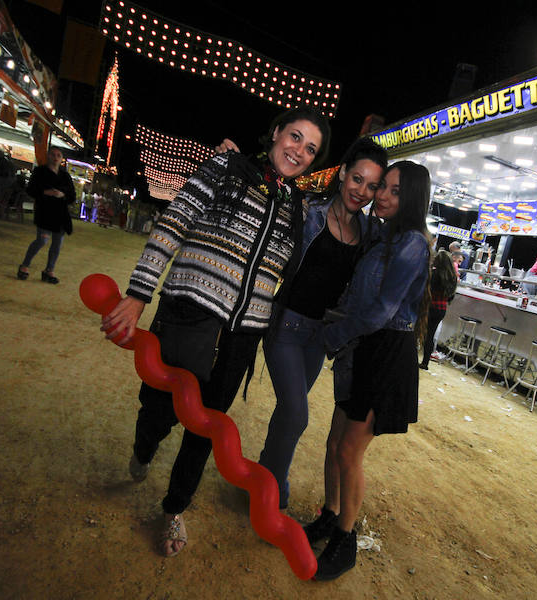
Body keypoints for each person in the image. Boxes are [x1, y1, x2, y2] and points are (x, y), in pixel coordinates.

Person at [99, 107, 330, 558]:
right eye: (295, 137)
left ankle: (174, 507)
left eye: (310, 149)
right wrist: (139, 293)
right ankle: (144, 447)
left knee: (206, 429)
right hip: (190, 314)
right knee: (159, 411)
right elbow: (174, 222)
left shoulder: (297, 208)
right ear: (276, 133)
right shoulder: (227, 167)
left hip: (242, 337)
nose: (298, 151)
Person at [305, 161, 432, 580]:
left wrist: (332, 334)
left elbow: (381, 311)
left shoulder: (412, 243)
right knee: (333, 444)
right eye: (382, 187)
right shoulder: (383, 238)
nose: (382, 196)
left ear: (411, 198)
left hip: (384, 355)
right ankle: (330, 515)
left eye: (395, 191)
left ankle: (345, 541)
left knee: (349, 452)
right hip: (361, 348)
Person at [257, 137, 387, 510]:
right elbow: (266, 196)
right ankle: (273, 494)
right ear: (343, 173)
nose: (361, 191)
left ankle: (262, 480)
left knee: (287, 413)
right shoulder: (308, 209)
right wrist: (235, 158)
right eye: (357, 179)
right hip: (285, 327)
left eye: (372, 186)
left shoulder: (370, 235)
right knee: (297, 415)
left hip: (320, 337)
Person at [17, 146, 75, 284]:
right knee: (42, 240)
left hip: (60, 214)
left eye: (58, 155)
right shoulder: (40, 172)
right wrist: (45, 192)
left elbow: (72, 195)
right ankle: (25, 265)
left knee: (57, 244)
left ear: (61, 159)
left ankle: (49, 270)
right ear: (48, 156)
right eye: (53, 154)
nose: (55, 158)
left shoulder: (65, 176)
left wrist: (62, 194)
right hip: (45, 211)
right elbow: (31, 189)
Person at [419, 249, 458, 370]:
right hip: (441, 309)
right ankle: (425, 362)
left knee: (419, 333)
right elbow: (451, 296)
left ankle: (411, 357)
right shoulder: (453, 277)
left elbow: (426, 290)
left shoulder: (434, 274)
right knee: (430, 335)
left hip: (429, 307)